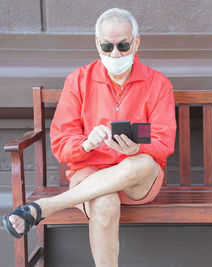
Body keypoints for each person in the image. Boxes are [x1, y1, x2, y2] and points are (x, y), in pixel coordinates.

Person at [2, 7, 176, 267]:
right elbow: (61, 144)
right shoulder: (78, 80)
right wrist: (85, 144)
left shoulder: (158, 83)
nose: (115, 53)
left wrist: (134, 149)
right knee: (104, 204)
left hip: (137, 181)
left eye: (123, 45)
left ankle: (47, 207)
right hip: (89, 174)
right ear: (97, 43)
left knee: (140, 163)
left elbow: (164, 143)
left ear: (136, 41)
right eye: (107, 46)